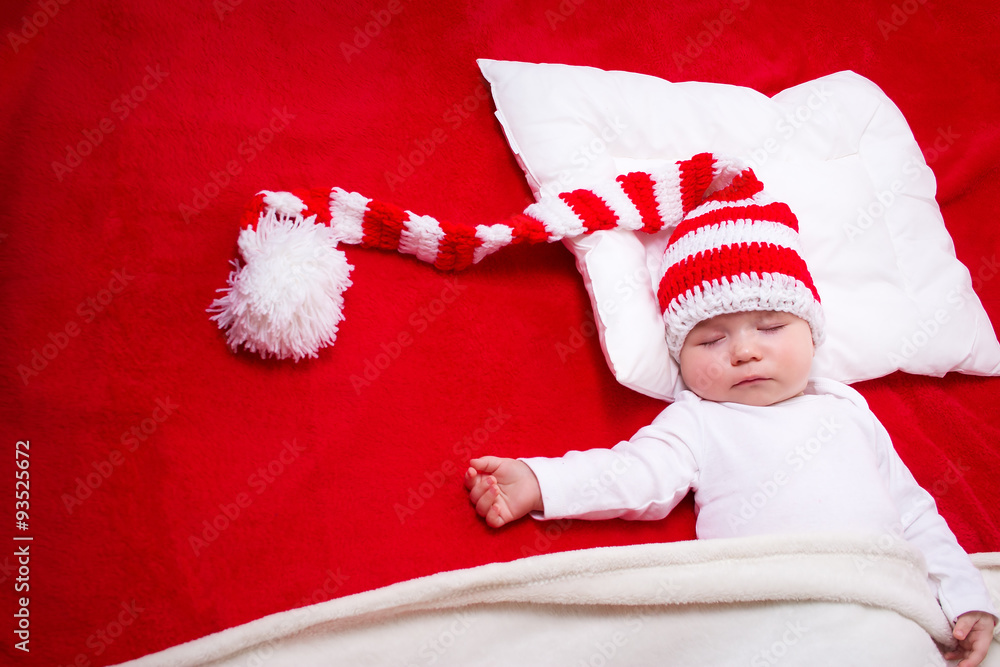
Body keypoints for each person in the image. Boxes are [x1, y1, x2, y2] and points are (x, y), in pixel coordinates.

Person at [464, 158, 997, 666]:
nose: (744, 351)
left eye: (770, 327)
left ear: (811, 333)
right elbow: (632, 474)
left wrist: (965, 597)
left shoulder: (848, 411)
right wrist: (541, 482)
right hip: (761, 606)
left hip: (883, 603)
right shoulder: (700, 420)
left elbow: (914, 512)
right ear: (681, 357)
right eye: (712, 339)